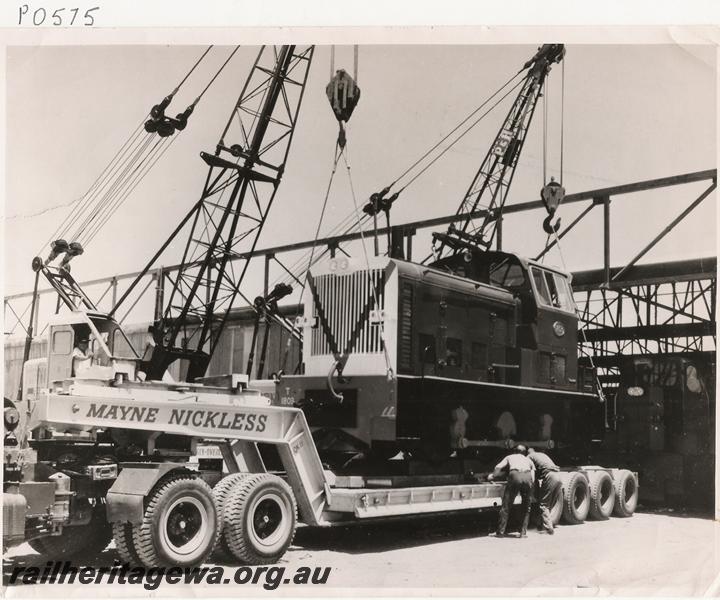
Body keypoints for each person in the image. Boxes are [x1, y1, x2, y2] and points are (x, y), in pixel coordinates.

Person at [488, 444, 535, 537]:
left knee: (506, 505)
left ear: (515, 451)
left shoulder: (510, 456)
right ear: (524, 453)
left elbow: (498, 467)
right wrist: (529, 484)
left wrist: (493, 476)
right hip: (527, 476)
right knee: (526, 507)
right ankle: (523, 533)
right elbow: (533, 475)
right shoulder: (528, 460)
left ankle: (500, 532)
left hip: (515, 475)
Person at [525, 447, 562, 534]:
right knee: (549, 505)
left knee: (544, 505)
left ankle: (549, 529)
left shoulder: (529, 457)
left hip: (550, 476)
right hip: (558, 476)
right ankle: (541, 525)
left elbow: (531, 473)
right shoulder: (542, 455)